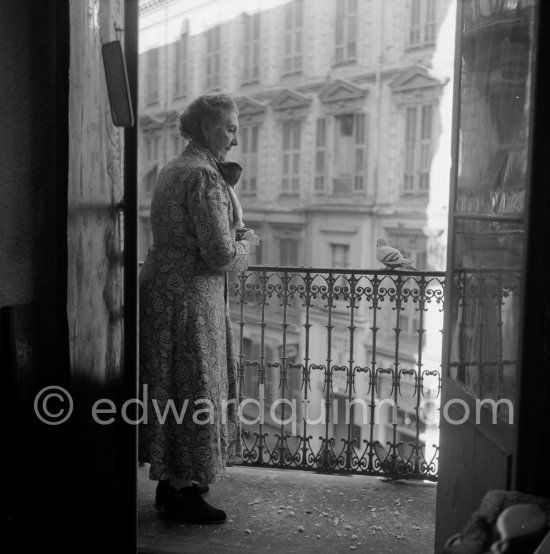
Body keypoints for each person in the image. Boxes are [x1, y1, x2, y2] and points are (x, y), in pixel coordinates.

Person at [138, 93, 260, 524]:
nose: (235, 139)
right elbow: (220, 255)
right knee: (195, 386)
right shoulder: (203, 176)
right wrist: (248, 243)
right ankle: (181, 492)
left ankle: (172, 480)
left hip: (167, 290)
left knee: (172, 383)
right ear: (207, 127)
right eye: (230, 128)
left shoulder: (175, 168)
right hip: (189, 296)